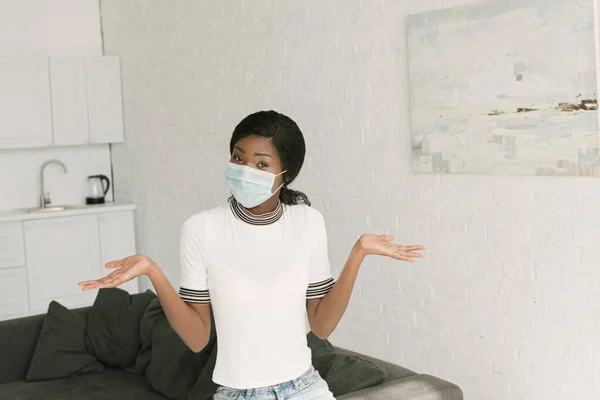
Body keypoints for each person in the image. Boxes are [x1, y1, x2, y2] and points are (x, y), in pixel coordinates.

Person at [78, 110, 426, 400]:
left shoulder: (307, 222)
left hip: (305, 389)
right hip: (238, 393)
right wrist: (153, 272)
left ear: (285, 175)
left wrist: (358, 253)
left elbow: (321, 325)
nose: (245, 169)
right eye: (238, 157)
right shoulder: (202, 228)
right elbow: (198, 339)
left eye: (261, 164)